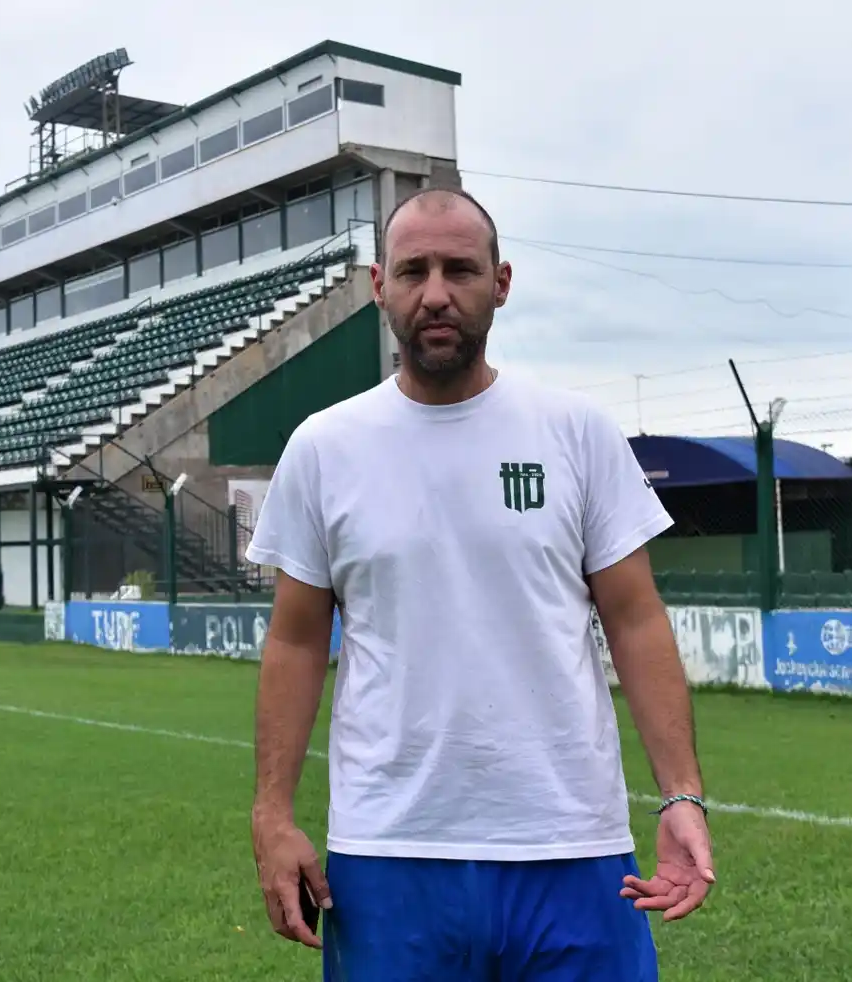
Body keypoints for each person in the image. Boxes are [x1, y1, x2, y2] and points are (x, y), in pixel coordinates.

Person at [245, 187, 715, 981]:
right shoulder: (325, 447)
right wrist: (272, 814)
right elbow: (294, 640)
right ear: (379, 287)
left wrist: (682, 794)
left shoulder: (576, 432)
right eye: (413, 271)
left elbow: (635, 620)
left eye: (459, 270)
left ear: (500, 283)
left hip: (573, 846)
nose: (436, 293)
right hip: (389, 853)